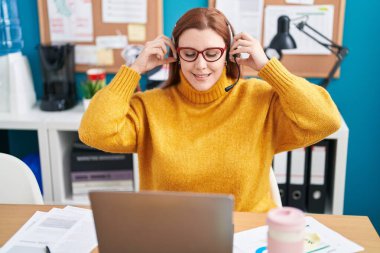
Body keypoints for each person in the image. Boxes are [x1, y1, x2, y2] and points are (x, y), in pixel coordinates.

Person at [79, 8, 341, 212]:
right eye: (190, 53)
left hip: (249, 237)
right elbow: (94, 132)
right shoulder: (149, 107)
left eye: (212, 53)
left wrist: (266, 67)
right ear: (176, 54)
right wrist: (134, 69)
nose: (201, 65)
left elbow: (326, 120)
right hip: (171, 236)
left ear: (228, 53)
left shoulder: (258, 99)